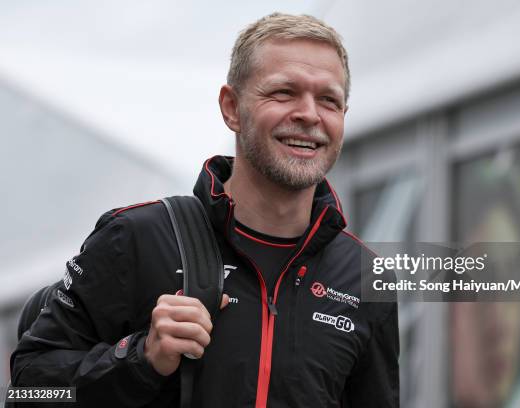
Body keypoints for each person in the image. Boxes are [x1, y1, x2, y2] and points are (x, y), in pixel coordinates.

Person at [11, 12, 399, 407]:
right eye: (283, 92)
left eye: (328, 100)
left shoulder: (366, 278)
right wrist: (140, 358)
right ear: (231, 107)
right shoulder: (136, 237)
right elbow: (29, 389)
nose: (310, 114)